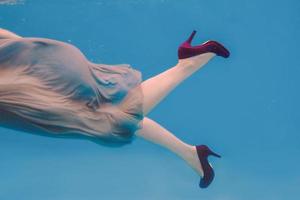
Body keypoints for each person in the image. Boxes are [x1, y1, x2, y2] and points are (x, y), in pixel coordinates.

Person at [0, 28, 229, 188]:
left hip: (20, 80)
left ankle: (187, 64)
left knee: (110, 121)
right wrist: (34, 54)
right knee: (105, 112)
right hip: (33, 60)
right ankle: (191, 153)